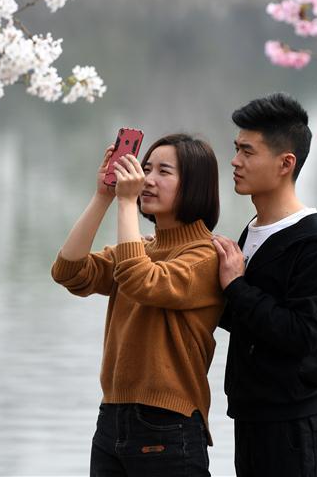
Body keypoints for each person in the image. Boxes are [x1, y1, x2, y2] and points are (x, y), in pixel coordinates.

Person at [50, 133, 223, 476]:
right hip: (112, 417)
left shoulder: (205, 257)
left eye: (164, 171)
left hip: (168, 424)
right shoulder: (139, 248)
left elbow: (142, 281)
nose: (147, 179)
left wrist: (127, 204)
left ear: (195, 185)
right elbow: (68, 272)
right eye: (146, 168)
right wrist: (104, 196)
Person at [211, 93, 317, 477]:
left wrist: (236, 287)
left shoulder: (314, 244)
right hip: (252, 420)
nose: (235, 162)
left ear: (286, 163)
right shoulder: (253, 232)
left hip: (294, 432)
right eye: (236, 149)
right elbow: (249, 321)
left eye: (248, 152)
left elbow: (303, 334)